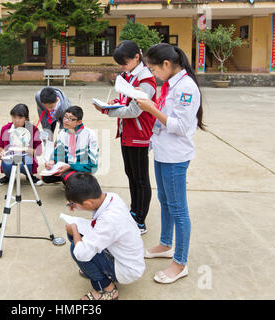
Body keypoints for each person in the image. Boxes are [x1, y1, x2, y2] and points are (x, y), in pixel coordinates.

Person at [136, 43, 206, 284]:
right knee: (164, 200)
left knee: (178, 208)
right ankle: (166, 243)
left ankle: (180, 261)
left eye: (154, 69)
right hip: (163, 153)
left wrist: (152, 109)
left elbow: (182, 127)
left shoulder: (186, 88)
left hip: (176, 157)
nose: (152, 74)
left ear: (166, 64)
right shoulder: (170, 84)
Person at [94, 40, 157, 235]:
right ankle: (134, 211)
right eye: (120, 64)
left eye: (125, 62)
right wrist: (114, 103)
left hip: (139, 133)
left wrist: (107, 111)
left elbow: (135, 110)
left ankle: (141, 220)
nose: (122, 67)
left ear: (137, 57)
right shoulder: (127, 76)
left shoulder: (146, 81)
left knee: (141, 178)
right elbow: (125, 101)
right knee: (131, 175)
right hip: (127, 132)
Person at [65, 172, 145, 300]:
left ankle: (107, 289)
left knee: (76, 248)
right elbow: (94, 209)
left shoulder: (109, 221)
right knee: (79, 235)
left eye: (75, 203)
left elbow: (82, 254)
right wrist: (76, 204)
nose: (73, 205)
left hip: (126, 270)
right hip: (126, 256)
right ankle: (96, 270)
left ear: (88, 203)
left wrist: (74, 228)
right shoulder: (112, 197)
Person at [42, 106, 98, 185]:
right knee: (46, 177)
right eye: (65, 117)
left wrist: (70, 166)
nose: (66, 121)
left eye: (71, 119)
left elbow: (92, 163)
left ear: (79, 122)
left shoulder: (90, 134)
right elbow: (57, 153)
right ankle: (71, 180)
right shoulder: (62, 133)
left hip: (82, 167)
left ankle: (84, 180)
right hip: (68, 164)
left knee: (66, 177)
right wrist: (52, 161)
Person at [0, 104, 43, 186]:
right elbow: (0, 146)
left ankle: (30, 176)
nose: (16, 120)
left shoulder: (33, 130)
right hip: (11, 155)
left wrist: (25, 149)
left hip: (26, 156)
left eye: (20, 118)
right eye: (14, 117)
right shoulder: (6, 128)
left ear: (26, 118)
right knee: (7, 162)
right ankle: (8, 176)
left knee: (27, 161)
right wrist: (2, 152)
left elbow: (38, 152)